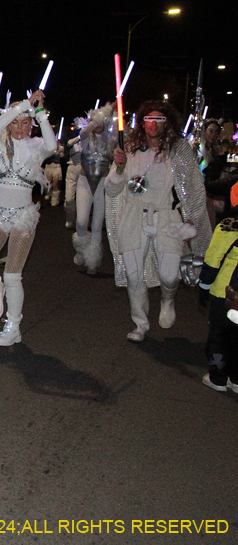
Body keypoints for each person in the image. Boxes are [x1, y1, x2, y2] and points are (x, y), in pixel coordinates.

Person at [105, 101, 211, 342]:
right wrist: (119, 169)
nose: (153, 124)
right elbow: (112, 191)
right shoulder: (129, 151)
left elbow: (194, 186)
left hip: (167, 216)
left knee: (170, 275)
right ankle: (140, 323)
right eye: (149, 120)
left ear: (168, 124)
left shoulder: (179, 150)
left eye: (159, 120)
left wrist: (193, 218)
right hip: (134, 216)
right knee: (134, 276)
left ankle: (168, 298)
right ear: (142, 123)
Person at [0, 90, 56, 346]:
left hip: (23, 218)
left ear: (31, 123)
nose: (19, 127)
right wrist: (21, 106)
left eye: (24, 122)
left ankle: (13, 326)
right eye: (15, 122)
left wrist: (39, 111)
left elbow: (53, 145)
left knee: (13, 275)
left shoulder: (36, 146)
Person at [198, 193, 238, 393]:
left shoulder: (229, 225)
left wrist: (204, 284)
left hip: (227, 293)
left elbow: (214, 257)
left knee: (220, 336)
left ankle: (218, 378)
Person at [72, 105, 115, 274]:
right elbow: (82, 133)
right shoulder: (85, 137)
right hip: (84, 181)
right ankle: (81, 250)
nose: (98, 124)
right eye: (94, 120)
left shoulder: (110, 140)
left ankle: (93, 261)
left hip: (102, 184)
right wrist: (94, 120)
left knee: (97, 224)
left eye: (101, 121)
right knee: (81, 221)